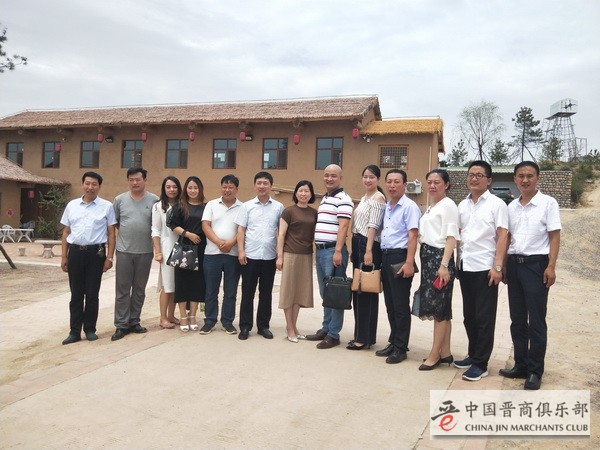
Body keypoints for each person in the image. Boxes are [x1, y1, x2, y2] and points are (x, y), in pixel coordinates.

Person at [500, 161, 561, 390]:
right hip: (514, 265)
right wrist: (503, 264)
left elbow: (554, 236)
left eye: (530, 176)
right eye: (521, 176)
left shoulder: (548, 203)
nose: (525, 180)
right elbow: (507, 237)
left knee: (536, 320)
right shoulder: (511, 207)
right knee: (517, 319)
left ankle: (535, 371)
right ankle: (521, 365)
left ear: (537, 178)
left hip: (536, 266)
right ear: (515, 179)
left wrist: (551, 266)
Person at [455, 161, 508, 381]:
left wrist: (498, 266)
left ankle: (481, 364)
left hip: (485, 268)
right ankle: (473, 354)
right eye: (471, 174)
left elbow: (503, 235)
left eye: (479, 175)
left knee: (484, 318)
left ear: (489, 180)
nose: (474, 178)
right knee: (469, 316)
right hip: (465, 266)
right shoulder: (462, 204)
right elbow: (458, 234)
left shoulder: (497, 204)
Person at [60, 172, 116, 344]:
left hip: (95, 254)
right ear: (82, 184)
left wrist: (109, 257)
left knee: (92, 294)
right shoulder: (72, 205)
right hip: (75, 253)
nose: (90, 187)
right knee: (76, 294)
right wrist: (64, 256)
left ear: (99, 186)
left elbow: (111, 233)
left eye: (94, 184)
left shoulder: (106, 206)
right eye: (87, 183)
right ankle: (74, 331)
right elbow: (66, 232)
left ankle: (90, 329)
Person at [415, 169, 460, 370]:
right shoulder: (433, 206)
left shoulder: (448, 205)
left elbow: (451, 237)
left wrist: (444, 265)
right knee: (443, 308)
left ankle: (434, 354)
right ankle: (445, 352)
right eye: (430, 182)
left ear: (446, 184)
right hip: (429, 258)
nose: (432, 186)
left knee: (439, 307)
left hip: (439, 259)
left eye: (437, 182)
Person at [305, 164, 353, 349]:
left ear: (341, 178)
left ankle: (333, 334)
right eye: (326, 175)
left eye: (333, 176)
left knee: (336, 293)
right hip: (321, 250)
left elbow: (343, 226)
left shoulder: (344, 199)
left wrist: (338, 251)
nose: (329, 179)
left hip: (333, 251)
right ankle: (325, 328)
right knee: (326, 292)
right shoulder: (326, 198)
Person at [376, 169, 421, 363]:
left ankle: (401, 348)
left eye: (396, 182)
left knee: (401, 305)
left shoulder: (409, 206)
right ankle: (393, 341)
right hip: (386, 257)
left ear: (404, 184)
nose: (392, 185)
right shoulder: (387, 206)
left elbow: (413, 235)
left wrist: (409, 262)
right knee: (390, 304)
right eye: (389, 181)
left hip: (401, 257)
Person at [111, 167, 159, 341]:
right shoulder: (119, 200)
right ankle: (121, 325)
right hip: (124, 251)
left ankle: (134, 321)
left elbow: (157, 225)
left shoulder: (154, 200)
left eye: (138, 179)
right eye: (131, 179)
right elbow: (115, 223)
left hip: (145, 252)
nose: (135, 183)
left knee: (139, 289)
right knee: (122, 290)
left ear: (145, 180)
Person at [235, 172, 284, 340]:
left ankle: (263, 326)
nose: (262, 186)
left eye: (265, 183)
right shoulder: (247, 206)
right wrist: (241, 251)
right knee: (247, 292)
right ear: (255, 185)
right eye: (259, 183)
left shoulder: (278, 207)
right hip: (250, 256)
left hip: (269, 257)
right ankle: (245, 326)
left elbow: (281, 232)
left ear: (271, 186)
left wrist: (280, 255)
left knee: (266, 293)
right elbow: (241, 230)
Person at [347, 165, 386, 350]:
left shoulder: (378, 197)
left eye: (371, 177)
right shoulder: (364, 198)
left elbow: (373, 226)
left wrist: (368, 250)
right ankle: (361, 335)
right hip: (358, 243)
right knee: (358, 289)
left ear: (378, 179)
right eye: (365, 176)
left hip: (368, 244)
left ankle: (364, 338)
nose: (368, 180)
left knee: (366, 290)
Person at [276, 180, 318, 343]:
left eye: (307, 191)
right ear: (295, 193)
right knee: (289, 292)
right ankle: (289, 328)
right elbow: (281, 235)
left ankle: (294, 326)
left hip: (306, 255)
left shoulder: (314, 213)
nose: (303, 194)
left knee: (299, 292)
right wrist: (280, 257)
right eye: (300, 190)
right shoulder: (288, 212)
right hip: (290, 254)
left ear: (311, 194)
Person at [200, 174, 243, 335]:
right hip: (212, 254)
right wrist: (219, 243)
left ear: (236, 189)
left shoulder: (243, 207)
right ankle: (209, 321)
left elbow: (242, 229)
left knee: (230, 291)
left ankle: (227, 321)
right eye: (224, 186)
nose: (227, 190)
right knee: (211, 290)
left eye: (231, 187)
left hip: (233, 255)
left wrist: (231, 243)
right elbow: (205, 226)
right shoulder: (211, 205)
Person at [168, 176, 207, 332]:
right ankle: (183, 316)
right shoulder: (180, 206)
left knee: (197, 283)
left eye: (195, 188)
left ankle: (193, 316)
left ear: (200, 189)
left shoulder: (206, 207)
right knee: (182, 283)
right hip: (184, 248)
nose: (193, 190)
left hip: (201, 249)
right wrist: (188, 234)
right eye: (190, 188)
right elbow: (172, 225)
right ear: (186, 189)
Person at [151, 176, 182, 329]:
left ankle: (171, 315)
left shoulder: (182, 205)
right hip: (167, 247)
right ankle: (163, 318)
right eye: (168, 187)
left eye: (174, 187)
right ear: (164, 189)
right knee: (167, 284)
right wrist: (158, 251)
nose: (171, 190)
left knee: (176, 284)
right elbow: (155, 229)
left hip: (182, 248)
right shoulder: (158, 206)